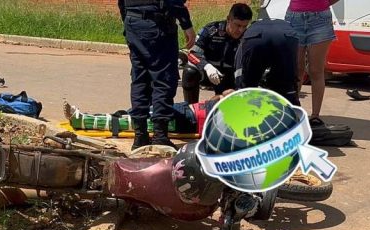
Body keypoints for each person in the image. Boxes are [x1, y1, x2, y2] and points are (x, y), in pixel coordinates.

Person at [119, 0, 196, 150]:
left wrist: (128, 23)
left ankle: (140, 136)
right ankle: (160, 136)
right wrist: (186, 25)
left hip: (132, 23)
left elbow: (121, 3)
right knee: (163, 79)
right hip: (157, 26)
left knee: (140, 79)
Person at [62, 93, 230, 137]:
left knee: (135, 122)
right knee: (136, 113)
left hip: (187, 121)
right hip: (187, 109)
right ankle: (84, 116)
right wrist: (222, 96)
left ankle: (83, 120)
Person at [182, 2, 252, 104]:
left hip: (231, 77)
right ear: (228, 19)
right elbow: (192, 53)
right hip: (209, 73)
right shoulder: (211, 30)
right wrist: (206, 66)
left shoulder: (248, 37)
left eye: (244, 26)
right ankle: (192, 109)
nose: (241, 30)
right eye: (238, 25)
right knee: (189, 71)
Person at [284, 0, 339, 127]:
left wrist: (324, 3)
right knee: (296, 68)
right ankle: (293, 111)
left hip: (320, 19)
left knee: (316, 70)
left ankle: (315, 116)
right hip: (294, 17)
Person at [233, 17, 301, 106]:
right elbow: (294, 71)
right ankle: (293, 111)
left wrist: (241, 86)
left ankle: (244, 110)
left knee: (248, 85)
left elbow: (239, 69)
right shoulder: (286, 24)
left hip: (256, 35)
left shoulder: (252, 27)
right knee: (286, 86)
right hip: (286, 35)